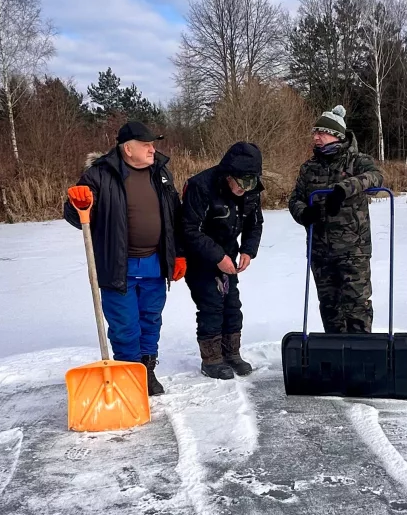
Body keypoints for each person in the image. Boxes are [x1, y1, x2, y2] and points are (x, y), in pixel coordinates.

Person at [62, 119, 185, 395]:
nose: (152, 149)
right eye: (146, 145)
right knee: (125, 325)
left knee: (151, 319)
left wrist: (179, 254)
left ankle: (146, 369)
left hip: (155, 263)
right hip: (118, 266)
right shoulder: (99, 175)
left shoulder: (162, 174)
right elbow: (76, 215)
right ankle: (129, 373)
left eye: (153, 144)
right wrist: (77, 202)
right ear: (128, 149)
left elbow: (174, 218)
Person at [288, 106, 383, 333]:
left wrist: (344, 189)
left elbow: (376, 178)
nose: (316, 137)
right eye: (315, 133)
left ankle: (360, 354)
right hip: (320, 250)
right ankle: (335, 355)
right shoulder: (309, 168)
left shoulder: (357, 161)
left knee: (356, 305)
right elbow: (294, 199)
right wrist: (303, 213)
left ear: (336, 135)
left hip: (353, 249)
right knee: (330, 307)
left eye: (321, 133)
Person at [181, 141, 264, 380]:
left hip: (229, 256)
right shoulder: (201, 186)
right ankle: (212, 359)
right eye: (241, 183)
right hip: (201, 258)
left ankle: (232, 354)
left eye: (250, 183)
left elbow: (254, 223)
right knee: (211, 305)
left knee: (232, 305)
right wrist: (218, 257)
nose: (244, 189)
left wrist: (248, 250)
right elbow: (189, 229)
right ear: (229, 174)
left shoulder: (251, 190)